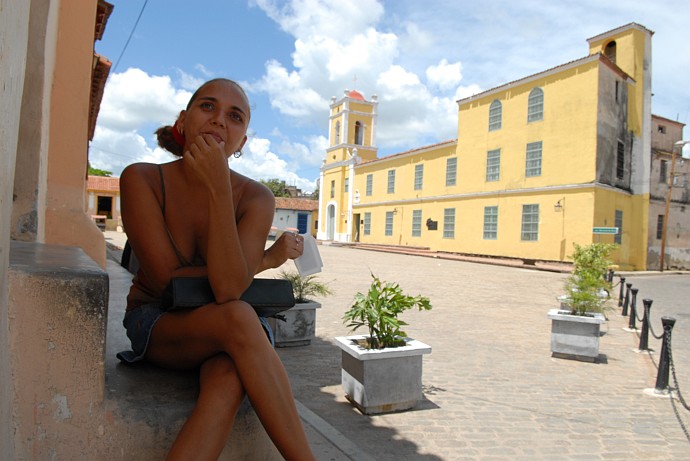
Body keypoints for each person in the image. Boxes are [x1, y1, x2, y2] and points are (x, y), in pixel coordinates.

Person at [118, 78, 316, 461]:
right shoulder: (141, 179)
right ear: (184, 120)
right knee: (239, 316)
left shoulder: (257, 197)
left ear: (241, 143)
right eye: (207, 107)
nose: (220, 121)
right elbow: (167, 282)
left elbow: (227, 287)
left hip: (232, 334)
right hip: (158, 321)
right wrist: (255, 256)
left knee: (227, 380)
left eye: (235, 116)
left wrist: (218, 189)